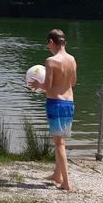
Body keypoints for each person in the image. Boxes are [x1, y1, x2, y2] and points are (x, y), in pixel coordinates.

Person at [29, 28, 77, 191]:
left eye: (48, 44)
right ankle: (57, 174)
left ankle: (66, 183)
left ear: (51, 42)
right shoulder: (72, 59)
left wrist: (37, 85)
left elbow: (47, 86)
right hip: (69, 103)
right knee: (62, 140)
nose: (48, 47)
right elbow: (73, 83)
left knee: (58, 144)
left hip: (55, 103)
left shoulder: (51, 61)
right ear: (64, 42)